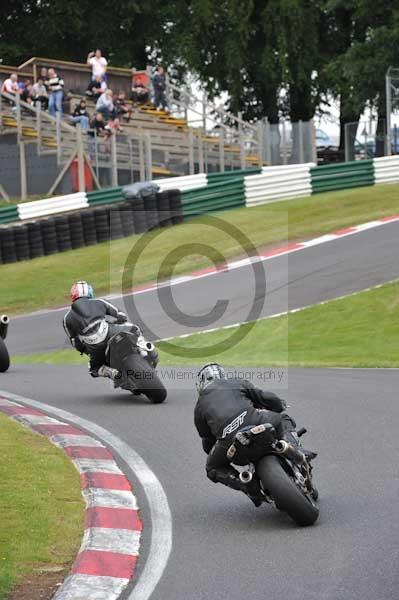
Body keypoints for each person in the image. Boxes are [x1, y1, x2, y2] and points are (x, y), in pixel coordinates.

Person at [194, 363, 315, 506]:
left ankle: (247, 485)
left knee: (212, 468)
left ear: (201, 383)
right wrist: (279, 405)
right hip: (257, 422)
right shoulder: (235, 381)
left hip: (231, 443)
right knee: (283, 418)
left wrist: (219, 449)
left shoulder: (199, 407)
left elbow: (207, 443)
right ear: (222, 374)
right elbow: (264, 397)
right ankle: (296, 449)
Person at [63, 281, 133, 381]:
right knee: (134, 328)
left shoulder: (67, 318)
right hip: (109, 332)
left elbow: (75, 342)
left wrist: (85, 350)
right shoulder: (99, 302)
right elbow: (121, 315)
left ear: (73, 295)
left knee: (94, 369)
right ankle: (145, 349)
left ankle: (113, 373)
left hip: (93, 346)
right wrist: (119, 320)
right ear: (90, 292)